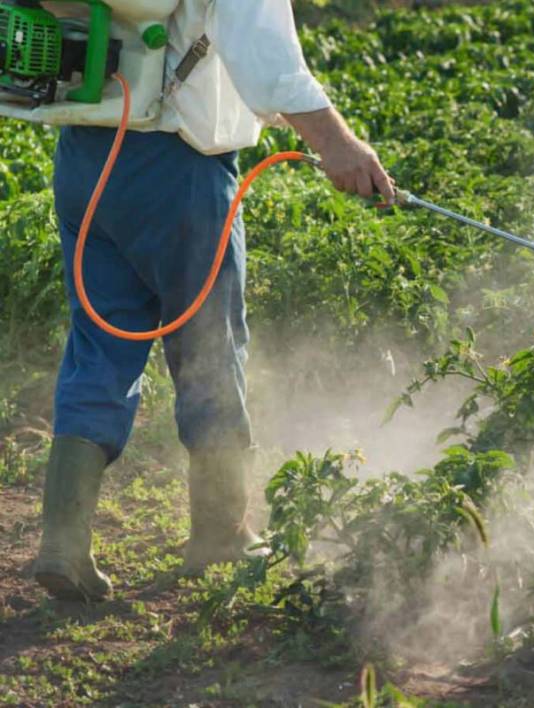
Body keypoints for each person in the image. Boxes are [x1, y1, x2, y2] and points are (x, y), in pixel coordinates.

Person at [31, 0, 394, 601]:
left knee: (97, 346)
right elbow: (268, 61)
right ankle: (222, 533)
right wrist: (340, 145)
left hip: (86, 157)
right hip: (180, 170)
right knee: (209, 346)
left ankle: (62, 544)